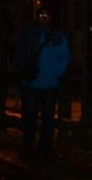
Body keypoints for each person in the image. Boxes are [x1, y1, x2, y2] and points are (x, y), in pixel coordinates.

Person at [13, 8, 71, 160]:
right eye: (41, 15)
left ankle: (41, 146)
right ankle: (33, 144)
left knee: (43, 117)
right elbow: (19, 53)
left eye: (46, 15)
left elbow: (64, 57)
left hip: (43, 83)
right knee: (35, 117)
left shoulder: (56, 36)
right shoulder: (30, 34)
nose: (44, 18)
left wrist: (56, 73)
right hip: (36, 83)